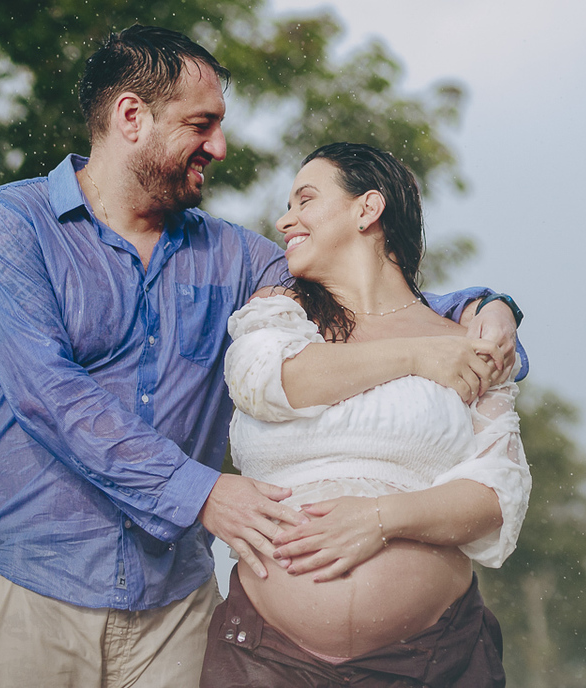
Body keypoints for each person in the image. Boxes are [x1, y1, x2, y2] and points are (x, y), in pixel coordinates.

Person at [0, 24, 524, 687]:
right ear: (132, 116)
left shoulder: (236, 258)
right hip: (29, 584)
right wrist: (205, 492)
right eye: (202, 124)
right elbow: (49, 393)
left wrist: (487, 312)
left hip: (173, 612)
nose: (218, 147)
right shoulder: (13, 223)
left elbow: (371, 293)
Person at [200, 143, 531, 688]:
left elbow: (497, 496)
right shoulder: (278, 317)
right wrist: (416, 355)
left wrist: (380, 519)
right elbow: (269, 382)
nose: (286, 220)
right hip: (266, 659)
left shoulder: (469, 342)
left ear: (367, 209)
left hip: (434, 658)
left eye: (305, 200)